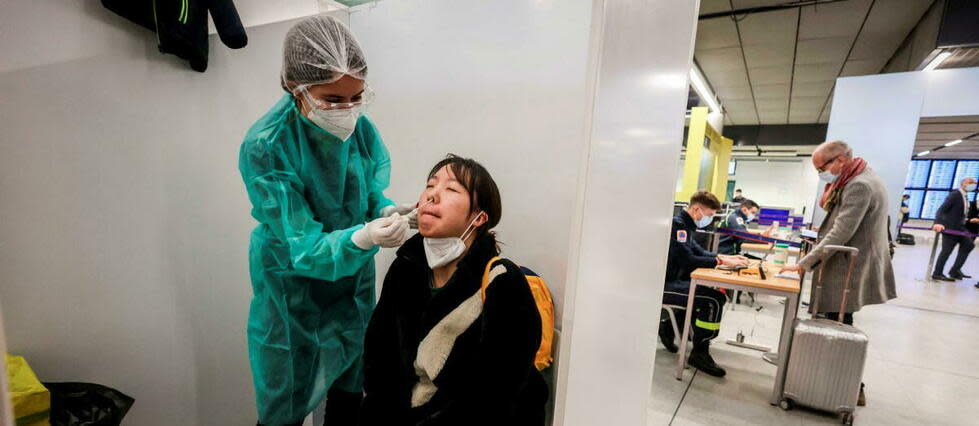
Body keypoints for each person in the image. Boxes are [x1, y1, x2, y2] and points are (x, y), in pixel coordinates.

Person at [239, 15, 416, 426]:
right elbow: (302, 245)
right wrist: (365, 237)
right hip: (293, 293)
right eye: (332, 99)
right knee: (285, 403)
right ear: (293, 88)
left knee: (349, 396)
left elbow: (367, 191)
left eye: (356, 97)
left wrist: (384, 211)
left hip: (351, 290)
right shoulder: (266, 147)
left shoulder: (359, 128)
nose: (347, 111)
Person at [361, 155, 547, 426]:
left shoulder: (503, 281)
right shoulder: (406, 268)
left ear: (479, 217)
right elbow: (381, 363)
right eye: (430, 186)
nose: (432, 196)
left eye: (451, 189)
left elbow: (494, 393)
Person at [780, 140, 896, 406]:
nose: (821, 173)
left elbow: (840, 232)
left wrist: (803, 264)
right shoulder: (860, 176)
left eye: (822, 167)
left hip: (848, 268)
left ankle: (846, 385)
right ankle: (836, 382)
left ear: (841, 160)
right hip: (845, 262)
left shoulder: (859, 185)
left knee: (838, 324)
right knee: (836, 322)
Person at [658, 191, 750, 378]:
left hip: (675, 280)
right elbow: (688, 260)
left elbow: (697, 251)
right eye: (709, 215)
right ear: (696, 209)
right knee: (713, 300)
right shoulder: (678, 226)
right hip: (665, 285)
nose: (709, 219)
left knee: (710, 295)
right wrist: (721, 262)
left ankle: (668, 327)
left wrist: (724, 258)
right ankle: (700, 353)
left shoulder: (685, 225)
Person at [931, 178, 979, 281]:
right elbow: (941, 210)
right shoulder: (955, 194)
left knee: (969, 244)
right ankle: (937, 273)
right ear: (963, 184)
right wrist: (938, 223)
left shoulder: (965, 197)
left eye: (975, 184)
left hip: (961, 228)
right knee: (946, 251)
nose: (973, 186)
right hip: (950, 228)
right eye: (971, 183)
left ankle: (955, 270)